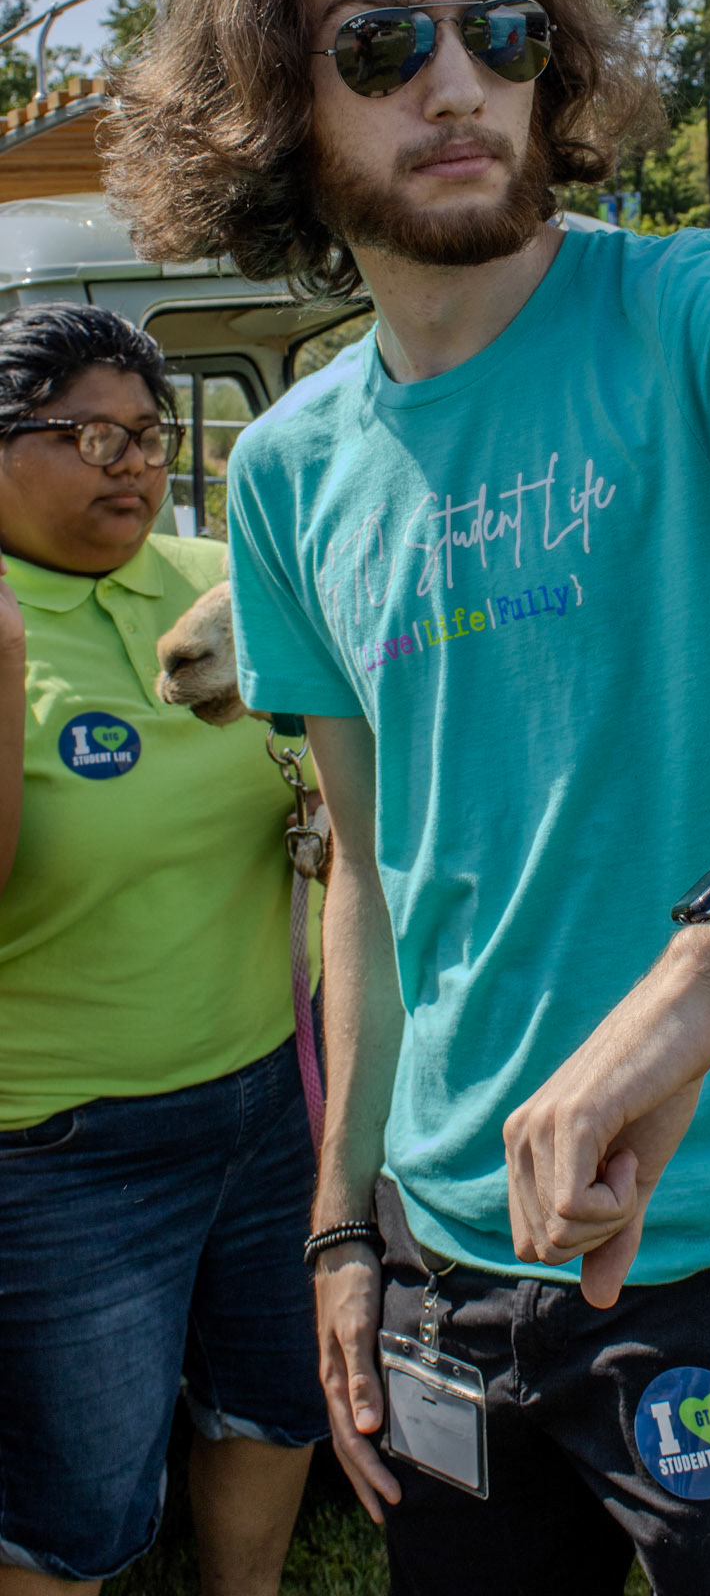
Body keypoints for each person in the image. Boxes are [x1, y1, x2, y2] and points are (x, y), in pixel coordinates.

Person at [105, 0, 710, 1596]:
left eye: (501, 31)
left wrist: (705, 972)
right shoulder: (288, 472)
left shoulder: (696, 316)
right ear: (274, 104)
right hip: (447, 1260)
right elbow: (366, 879)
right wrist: (344, 1231)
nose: (459, 84)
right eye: (382, 43)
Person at [0, 307, 326, 1596]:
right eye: (91, 436)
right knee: (72, 1504)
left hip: (272, 1100)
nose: (133, 462)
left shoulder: (216, 584)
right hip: (65, 1147)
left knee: (278, 1401)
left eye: (149, 435)